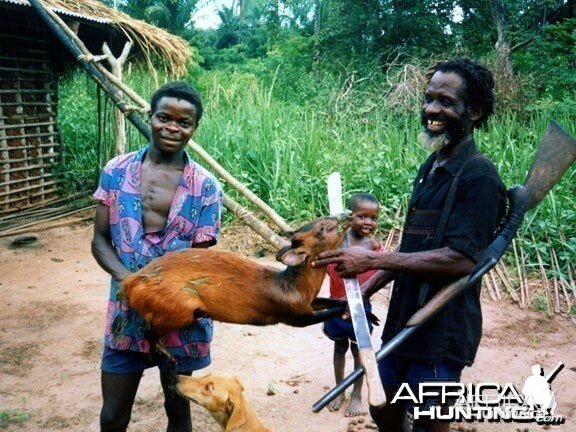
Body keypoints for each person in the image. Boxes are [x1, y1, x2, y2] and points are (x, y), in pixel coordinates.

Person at [313, 59, 507, 432]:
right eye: (429, 98)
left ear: (475, 111)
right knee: (383, 408)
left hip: (441, 327)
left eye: (446, 102)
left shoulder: (479, 176)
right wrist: (362, 293)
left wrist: (371, 258)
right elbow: (411, 248)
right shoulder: (431, 167)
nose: (432, 110)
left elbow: (461, 260)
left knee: (429, 423)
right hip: (404, 318)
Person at [91, 81, 223, 432]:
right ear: (150, 118)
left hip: (181, 318)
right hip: (126, 312)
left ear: (194, 128)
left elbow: (200, 263)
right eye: (164, 117)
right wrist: (130, 281)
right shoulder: (116, 171)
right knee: (113, 416)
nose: (173, 128)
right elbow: (100, 241)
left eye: (184, 122)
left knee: (178, 413)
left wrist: (165, 298)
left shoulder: (206, 187)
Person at [323, 193, 384, 417]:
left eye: (373, 218)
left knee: (360, 351)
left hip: (360, 307)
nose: (368, 222)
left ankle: (357, 394)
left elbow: (377, 277)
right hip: (336, 306)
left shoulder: (374, 247)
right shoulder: (337, 240)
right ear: (350, 217)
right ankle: (340, 390)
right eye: (362, 216)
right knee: (339, 347)